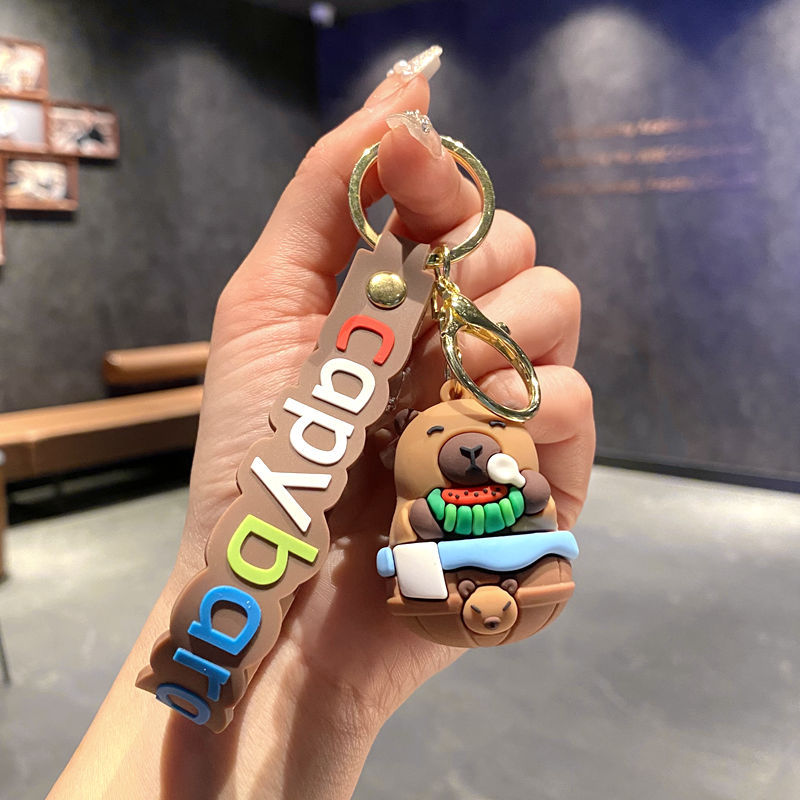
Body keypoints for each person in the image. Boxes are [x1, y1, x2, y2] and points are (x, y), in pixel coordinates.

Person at [48, 48, 595, 799]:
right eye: (435, 438)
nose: (466, 451)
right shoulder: (409, 496)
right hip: (287, 562)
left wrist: (326, 691)